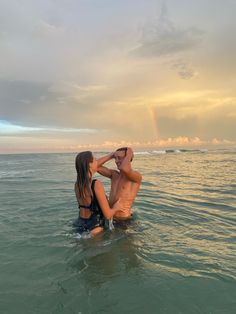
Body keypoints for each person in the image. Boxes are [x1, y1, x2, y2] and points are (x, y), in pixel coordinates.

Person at [73, 151, 124, 236]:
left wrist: (111, 155)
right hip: (95, 227)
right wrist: (116, 208)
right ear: (89, 164)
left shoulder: (77, 185)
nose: (97, 161)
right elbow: (107, 215)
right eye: (95, 159)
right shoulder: (96, 184)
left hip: (79, 224)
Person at [97, 147, 142, 220]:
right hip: (110, 216)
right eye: (115, 158)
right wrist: (111, 155)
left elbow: (124, 168)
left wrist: (130, 152)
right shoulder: (114, 175)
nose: (116, 161)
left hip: (124, 220)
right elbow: (95, 166)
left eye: (120, 158)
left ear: (128, 159)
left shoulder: (136, 177)